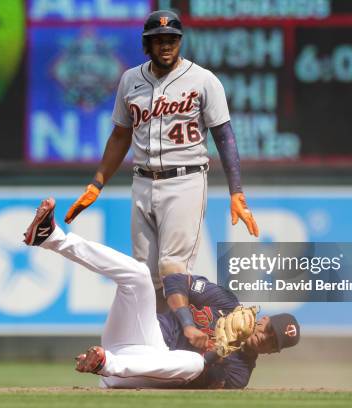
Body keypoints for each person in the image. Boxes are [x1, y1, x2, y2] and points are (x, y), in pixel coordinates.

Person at [63, 10, 260, 301]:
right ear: (147, 44)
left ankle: (202, 325)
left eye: (172, 39)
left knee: (173, 270)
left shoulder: (203, 80)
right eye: (159, 40)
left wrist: (237, 191)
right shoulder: (130, 80)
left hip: (185, 180)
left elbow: (224, 136)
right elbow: (120, 135)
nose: (166, 45)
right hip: (142, 183)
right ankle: (161, 342)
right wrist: (97, 183)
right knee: (144, 278)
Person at [24, 198, 299, 389]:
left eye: (272, 341)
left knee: (193, 363)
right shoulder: (227, 304)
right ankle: (51, 237)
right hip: (143, 334)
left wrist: (218, 353)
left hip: (136, 372)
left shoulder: (240, 374)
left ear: (273, 352)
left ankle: (104, 364)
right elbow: (175, 280)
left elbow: (191, 385)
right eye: (269, 329)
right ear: (264, 320)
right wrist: (189, 326)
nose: (265, 336)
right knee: (139, 275)